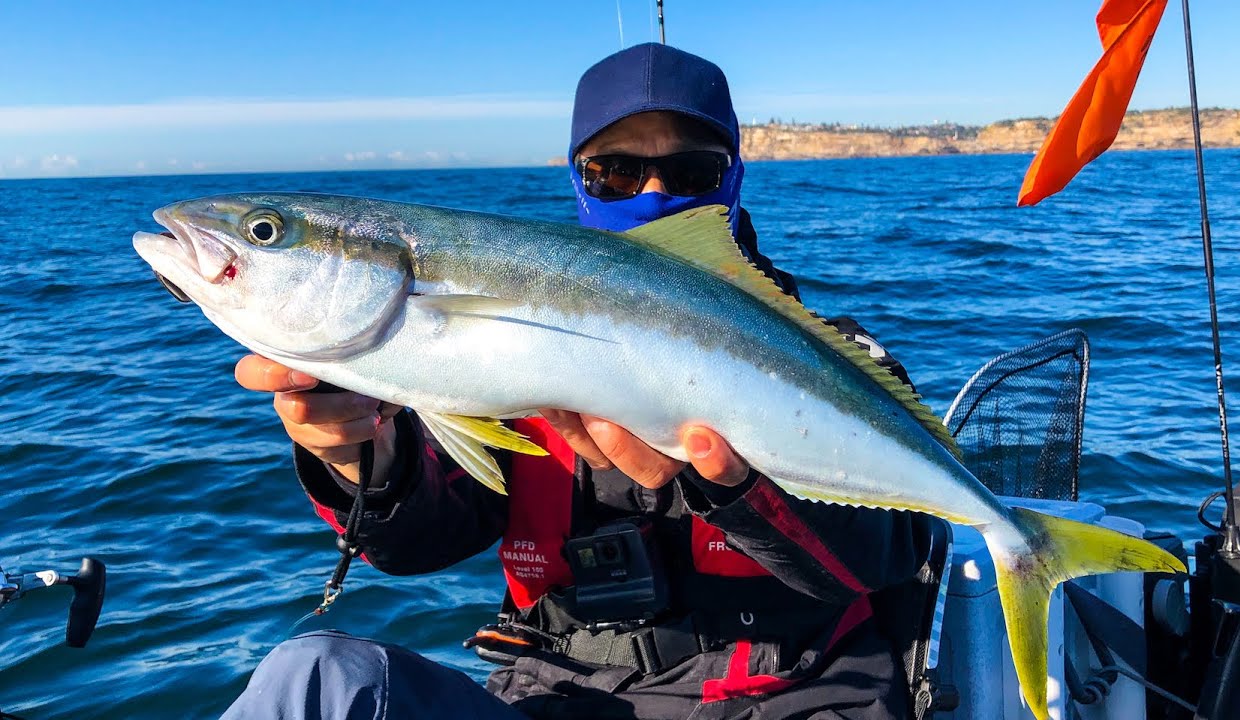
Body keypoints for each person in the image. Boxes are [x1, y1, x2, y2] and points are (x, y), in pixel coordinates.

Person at [224, 42, 938, 720]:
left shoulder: (838, 357)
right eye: (617, 173)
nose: (655, 194)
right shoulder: (506, 348)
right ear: (579, 179)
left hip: (798, 693)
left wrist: (737, 488)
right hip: (560, 689)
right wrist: (359, 459)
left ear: (734, 181)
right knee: (313, 682)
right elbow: (419, 543)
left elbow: (890, 552)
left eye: (693, 173)